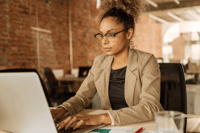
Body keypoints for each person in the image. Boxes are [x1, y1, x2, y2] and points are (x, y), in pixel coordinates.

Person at [51, 0, 164, 130]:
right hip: (111, 128)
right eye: (102, 35)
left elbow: (150, 107)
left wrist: (101, 118)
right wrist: (61, 110)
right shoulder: (100, 62)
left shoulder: (147, 61)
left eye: (111, 34)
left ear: (129, 33)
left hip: (141, 126)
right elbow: (82, 97)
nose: (104, 41)